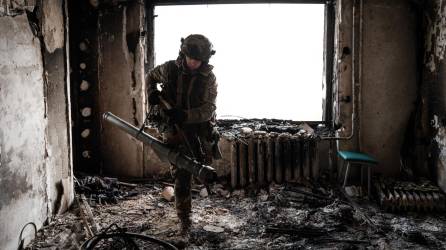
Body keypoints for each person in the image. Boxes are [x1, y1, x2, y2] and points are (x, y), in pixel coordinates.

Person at [145, 34, 220, 234]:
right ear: (183, 53)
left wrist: (185, 115)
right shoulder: (169, 69)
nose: (194, 63)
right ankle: (184, 219)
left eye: (199, 60)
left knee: (201, 168)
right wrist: (151, 92)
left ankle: (196, 198)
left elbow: (208, 110)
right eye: (191, 58)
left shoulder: (209, 79)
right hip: (172, 129)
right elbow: (150, 77)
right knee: (182, 173)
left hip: (197, 130)